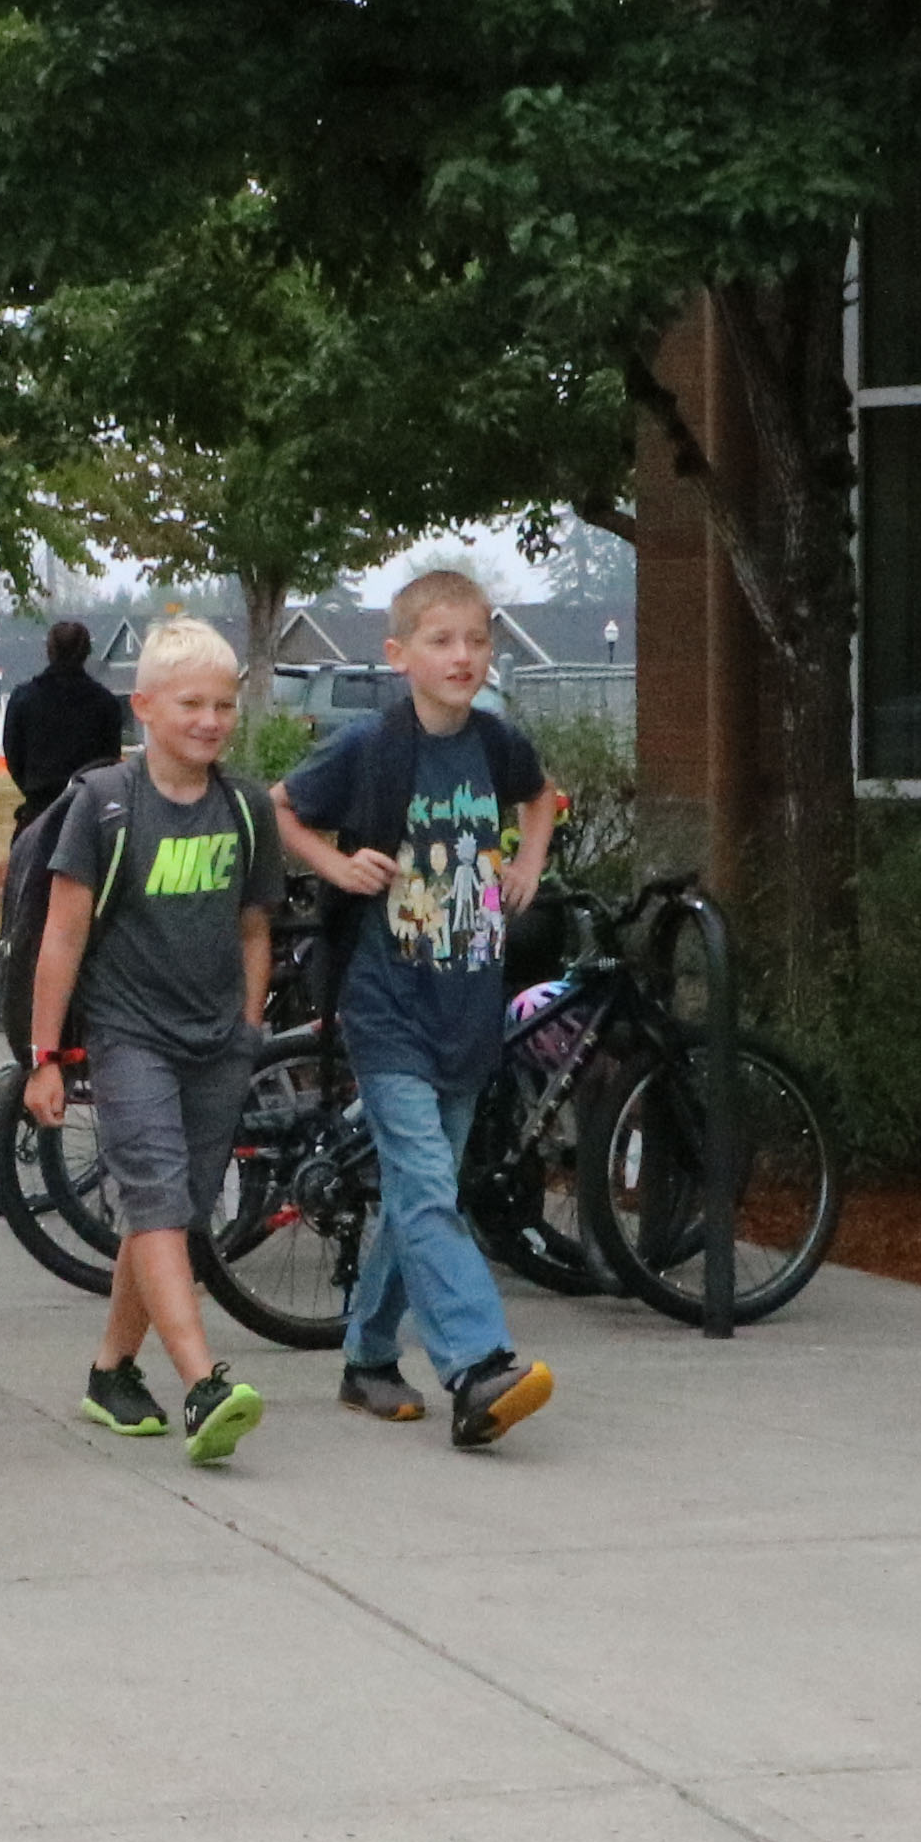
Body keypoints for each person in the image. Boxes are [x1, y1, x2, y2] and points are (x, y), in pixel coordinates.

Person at [276, 565, 557, 1448]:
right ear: (400, 655)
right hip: (386, 999)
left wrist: (528, 864)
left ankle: (366, 1359)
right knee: (430, 1185)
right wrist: (334, 865)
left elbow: (540, 796)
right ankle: (478, 1364)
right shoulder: (370, 746)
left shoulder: (496, 743)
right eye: (441, 641)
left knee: (414, 1195)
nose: (462, 657)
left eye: (476, 641)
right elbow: (279, 807)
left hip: (468, 1002)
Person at [21, 619, 273, 1466]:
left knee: (173, 1211)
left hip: (216, 1040)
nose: (210, 721)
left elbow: (252, 927)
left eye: (225, 705)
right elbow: (61, 938)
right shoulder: (105, 805)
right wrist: (45, 1057)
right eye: (192, 703)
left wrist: (247, 1025)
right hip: (131, 1037)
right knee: (160, 1199)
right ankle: (204, 1383)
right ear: (146, 708)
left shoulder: (245, 808)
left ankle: (111, 1371)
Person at [0, 616, 128, 824]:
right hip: (89, 811)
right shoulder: (105, 702)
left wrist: (32, 788)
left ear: (49, 651)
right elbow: (110, 758)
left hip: (38, 810)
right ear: (87, 652)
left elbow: (13, 754)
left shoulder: (24, 698)